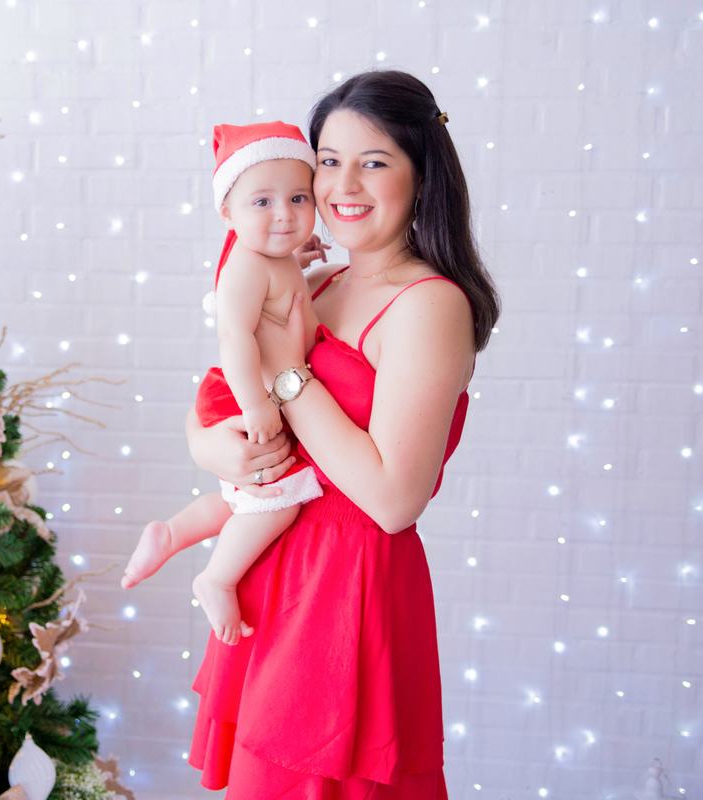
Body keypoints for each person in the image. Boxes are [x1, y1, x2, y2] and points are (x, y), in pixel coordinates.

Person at [185, 70, 500, 798]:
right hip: (275, 574)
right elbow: (215, 401)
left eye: (375, 162)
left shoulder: (429, 305)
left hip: (347, 592)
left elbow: (392, 500)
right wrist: (214, 448)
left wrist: (288, 375)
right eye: (328, 161)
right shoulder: (315, 281)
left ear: (422, 176)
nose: (343, 185)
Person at [122, 122, 326, 645]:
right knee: (280, 498)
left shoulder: (272, 258)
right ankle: (216, 578)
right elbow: (234, 336)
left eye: (298, 198)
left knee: (247, 495)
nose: (284, 214)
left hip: (252, 390)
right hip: (240, 391)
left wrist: (299, 259)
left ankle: (172, 533)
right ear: (227, 213)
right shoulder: (247, 266)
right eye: (262, 202)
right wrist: (256, 405)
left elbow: (279, 298)